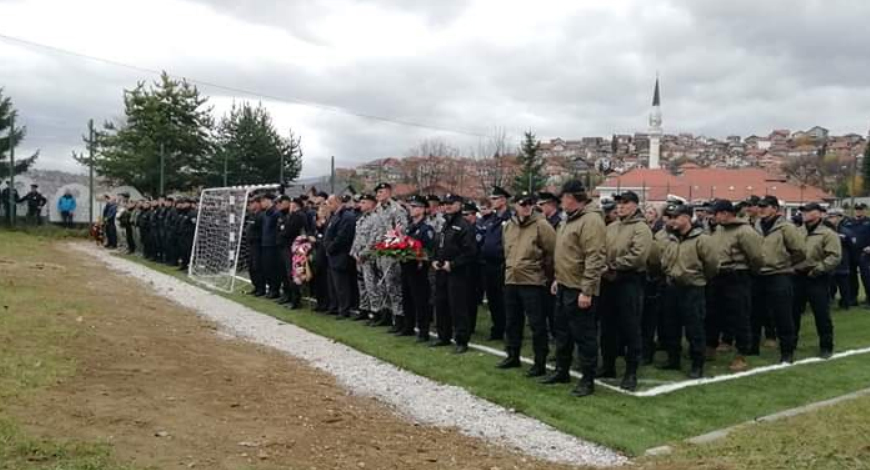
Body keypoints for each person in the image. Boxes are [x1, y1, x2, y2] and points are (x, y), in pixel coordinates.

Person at [541, 180, 606, 397]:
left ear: (571, 197)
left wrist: (587, 290)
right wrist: (558, 279)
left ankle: (588, 380)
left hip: (580, 289)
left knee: (584, 336)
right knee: (562, 333)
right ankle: (562, 370)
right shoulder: (569, 220)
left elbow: (594, 257)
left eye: (563, 198)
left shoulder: (591, 220)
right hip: (565, 285)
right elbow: (566, 254)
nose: (561, 202)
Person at [498, 191, 556, 377]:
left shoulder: (541, 225)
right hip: (511, 279)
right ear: (515, 205)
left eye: (529, 204)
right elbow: (506, 250)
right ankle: (512, 355)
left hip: (532, 281)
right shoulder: (508, 226)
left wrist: (546, 275)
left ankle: (539, 362)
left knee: (537, 324)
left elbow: (552, 252)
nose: (526, 207)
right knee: (512, 321)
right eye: (522, 204)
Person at [598, 191, 652, 391]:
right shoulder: (611, 227)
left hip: (629, 281)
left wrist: (612, 265)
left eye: (625, 203)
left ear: (635, 205)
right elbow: (601, 249)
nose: (620, 206)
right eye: (618, 203)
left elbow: (638, 256)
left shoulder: (641, 228)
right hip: (608, 281)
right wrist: (605, 265)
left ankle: (631, 372)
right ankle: (608, 365)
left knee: (630, 327)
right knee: (607, 326)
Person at [659, 202, 719, 378]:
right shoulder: (671, 238)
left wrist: (698, 279)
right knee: (671, 326)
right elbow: (665, 260)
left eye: (676, 217)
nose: (672, 221)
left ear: (686, 218)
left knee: (694, 328)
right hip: (672, 287)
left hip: (692, 289)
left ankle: (697, 364)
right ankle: (673, 359)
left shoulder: (702, 239)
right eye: (670, 217)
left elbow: (712, 265)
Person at [707, 199, 764, 372]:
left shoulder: (745, 231)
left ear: (725, 213)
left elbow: (756, 257)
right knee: (713, 313)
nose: (713, 217)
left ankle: (741, 354)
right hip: (718, 276)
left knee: (740, 315)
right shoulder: (718, 230)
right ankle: (711, 346)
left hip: (737, 275)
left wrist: (749, 272)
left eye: (715, 213)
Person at [754, 195, 805, 363]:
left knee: (783, 315)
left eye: (765, 206)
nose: (761, 209)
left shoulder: (786, 227)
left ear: (775, 209)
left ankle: (787, 351)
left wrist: (785, 264)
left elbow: (799, 250)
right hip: (759, 275)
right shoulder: (756, 225)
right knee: (756, 313)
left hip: (779, 275)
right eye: (760, 206)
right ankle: (752, 348)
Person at [431, 194, 478, 354]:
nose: (448, 206)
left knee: (458, 306)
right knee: (441, 303)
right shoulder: (444, 223)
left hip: (458, 272)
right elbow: (438, 246)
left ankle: (461, 340)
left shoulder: (464, 225)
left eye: (452, 203)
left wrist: (453, 264)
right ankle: (443, 336)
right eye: (446, 203)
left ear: (460, 204)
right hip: (441, 270)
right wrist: (434, 260)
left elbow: (470, 252)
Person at [793, 202, 841, 359]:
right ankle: (790, 344)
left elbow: (834, 256)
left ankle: (826, 346)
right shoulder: (798, 231)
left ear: (819, 214)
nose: (805, 214)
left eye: (809, 211)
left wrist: (818, 269)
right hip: (797, 277)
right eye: (804, 211)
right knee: (794, 313)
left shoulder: (828, 233)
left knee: (821, 314)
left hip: (817, 278)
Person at [373, 182, 409, 333]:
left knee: (394, 287)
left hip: (392, 253)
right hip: (380, 252)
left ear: (388, 192)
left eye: (381, 192)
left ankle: (400, 319)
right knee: (384, 286)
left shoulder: (397, 209)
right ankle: (387, 315)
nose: (378, 195)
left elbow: (403, 231)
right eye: (377, 192)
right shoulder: (378, 208)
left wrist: (392, 248)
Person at [480, 186, 512, 341]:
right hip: (488, 264)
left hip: (502, 264)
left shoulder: (510, 218)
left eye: (494, 198)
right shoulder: (492, 219)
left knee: (504, 299)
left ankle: (507, 329)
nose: (492, 201)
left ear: (503, 200)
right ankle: (497, 328)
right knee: (493, 299)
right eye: (491, 198)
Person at [402, 195, 436, 340]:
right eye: (411, 206)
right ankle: (408, 326)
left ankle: (423, 331)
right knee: (407, 298)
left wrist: (420, 256)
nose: (411, 209)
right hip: (406, 267)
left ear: (422, 209)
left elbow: (430, 250)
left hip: (419, 269)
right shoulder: (410, 227)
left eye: (415, 207)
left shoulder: (426, 229)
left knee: (420, 300)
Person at [324, 195, 358, 319]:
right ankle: (336, 307)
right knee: (334, 285)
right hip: (333, 255)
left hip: (341, 255)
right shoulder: (335, 216)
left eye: (330, 203)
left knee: (342, 285)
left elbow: (343, 237)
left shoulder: (347, 216)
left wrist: (330, 247)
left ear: (337, 202)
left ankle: (344, 309)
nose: (328, 206)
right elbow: (328, 233)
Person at [351, 193, 380, 322]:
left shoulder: (376, 218)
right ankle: (364, 308)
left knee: (371, 285)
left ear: (371, 203)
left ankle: (375, 312)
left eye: (363, 202)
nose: (360, 205)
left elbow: (374, 240)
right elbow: (357, 238)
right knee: (361, 284)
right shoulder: (362, 219)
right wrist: (354, 253)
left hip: (369, 258)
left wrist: (363, 254)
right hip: (359, 257)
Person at [276, 196, 307, 309]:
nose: (290, 206)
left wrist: (282, 233)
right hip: (289, 247)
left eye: (292, 204)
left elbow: (288, 231)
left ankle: (295, 301)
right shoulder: (293, 215)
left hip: (292, 248)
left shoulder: (297, 216)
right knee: (289, 274)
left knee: (293, 274)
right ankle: (290, 297)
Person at [826, 209, 854, 309]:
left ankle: (845, 304)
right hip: (829, 261)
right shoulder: (825, 230)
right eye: (830, 217)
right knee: (829, 285)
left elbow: (852, 245)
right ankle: (828, 302)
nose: (832, 219)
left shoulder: (846, 231)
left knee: (844, 285)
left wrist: (844, 239)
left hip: (842, 261)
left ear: (839, 218)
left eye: (833, 217)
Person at [844, 203, 870, 306]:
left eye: (861, 209)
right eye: (857, 209)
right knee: (851, 277)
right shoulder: (848, 222)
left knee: (866, 277)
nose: (859, 211)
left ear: (865, 210)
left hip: (865, 253)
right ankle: (852, 298)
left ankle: (869, 299)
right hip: (851, 253)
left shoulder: (868, 222)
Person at [260, 194, 283, 299]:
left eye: (263, 201)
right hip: (265, 243)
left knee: (274, 268)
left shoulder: (276, 213)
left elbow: (277, 229)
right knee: (266, 268)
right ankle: (270, 288)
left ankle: (275, 290)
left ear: (269, 201)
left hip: (273, 245)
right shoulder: (265, 214)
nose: (262, 203)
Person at [244, 196, 265, 296]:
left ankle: (261, 288)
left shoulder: (261, 216)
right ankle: (256, 286)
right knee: (251, 267)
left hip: (257, 245)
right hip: (251, 244)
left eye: (252, 203)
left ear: (257, 204)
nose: (250, 205)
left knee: (257, 266)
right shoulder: (252, 215)